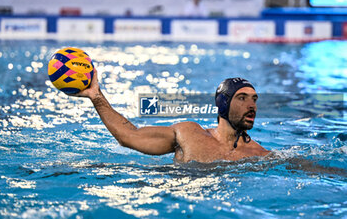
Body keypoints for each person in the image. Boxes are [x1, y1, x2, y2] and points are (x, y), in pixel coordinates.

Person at [74, 69, 270, 163]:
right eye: (242, 98)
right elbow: (129, 137)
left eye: (254, 99)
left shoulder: (261, 155)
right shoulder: (189, 134)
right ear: (222, 104)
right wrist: (96, 96)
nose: (252, 105)